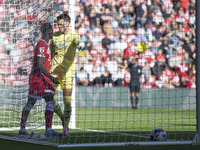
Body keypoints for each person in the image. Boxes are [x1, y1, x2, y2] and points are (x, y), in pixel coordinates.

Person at [18, 23, 62, 138]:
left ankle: (49, 130)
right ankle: (22, 129)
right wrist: (52, 77)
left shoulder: (46, 44)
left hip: (45, 79)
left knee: (50, 101)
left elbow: (45, 62)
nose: (53, 33)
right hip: (38, 79)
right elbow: (40, 64)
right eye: (52, 31)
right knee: (31, 103)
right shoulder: (42, 44)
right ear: (49, 32)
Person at [50, 13, 85, 136]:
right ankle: (63, 118)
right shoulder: (54, 37)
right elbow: (52, 53)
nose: (58, 27)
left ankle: (65, 129)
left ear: (67, 24)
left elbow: (79, 41)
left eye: (61, 25)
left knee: (67, 101)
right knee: (49, 98)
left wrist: (81, 45)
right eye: (57, 24)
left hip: (67, 73)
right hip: (53, 73)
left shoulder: (74, 35)